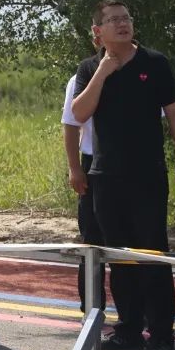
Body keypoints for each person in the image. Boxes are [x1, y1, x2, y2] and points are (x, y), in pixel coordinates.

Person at [71, 0, 175, 350]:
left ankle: (162, 336)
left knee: (152, 255)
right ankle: (129, 329)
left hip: (147, 175)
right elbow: (79, 113)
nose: (123, 24)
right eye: (114, 20)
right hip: (105, 176)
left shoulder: (155, 63)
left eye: (127, 18)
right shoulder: (90, 68)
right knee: (118, 257)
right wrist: (104, 71)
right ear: (98, 31)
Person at [61, 51, 106, 314]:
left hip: (132, 166)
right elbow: (70, 125)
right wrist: (74, 168)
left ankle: (136, 312)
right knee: (92, 240)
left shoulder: (140, 72)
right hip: (91, 163)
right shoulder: (80, 78)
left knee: (132, 242)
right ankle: (91, 309)